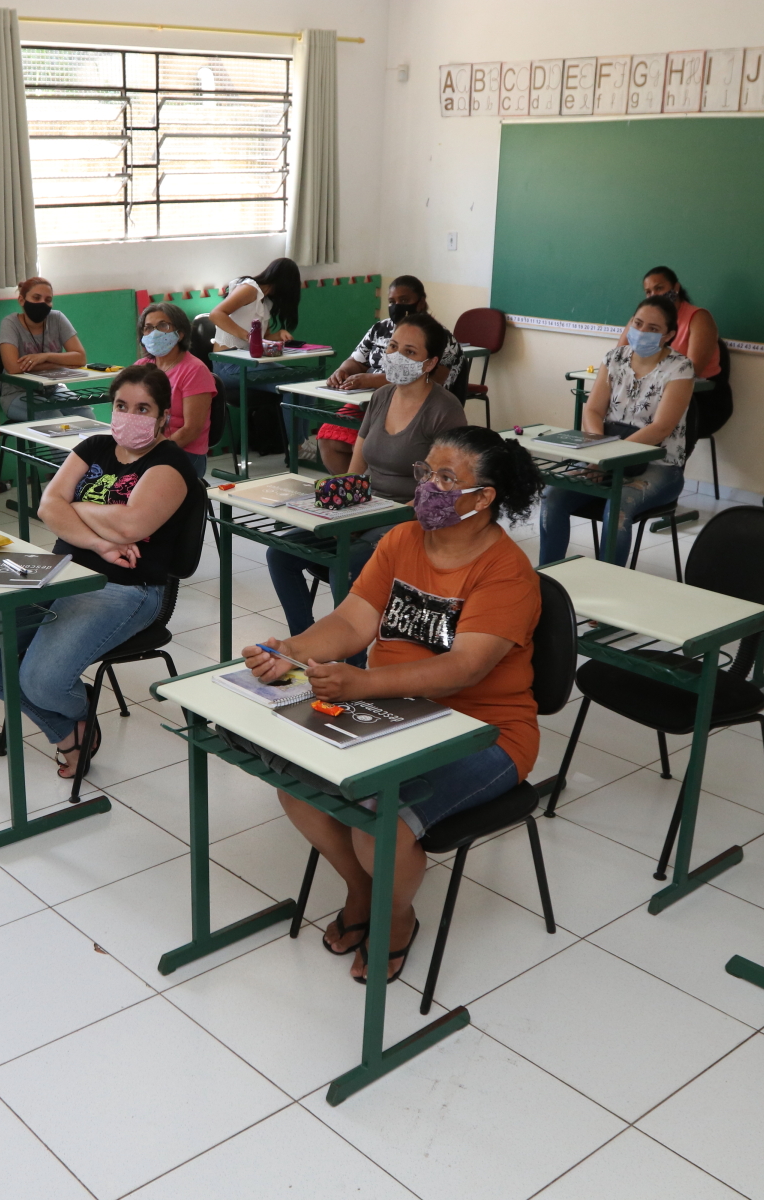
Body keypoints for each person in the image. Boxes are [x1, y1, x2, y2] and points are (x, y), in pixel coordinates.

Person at [241, 427, 543, 984]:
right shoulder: (402, 540)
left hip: (484, 732)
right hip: (394, 713)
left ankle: (397, 917)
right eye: (426, 471)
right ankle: (364, 890)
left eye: (446, 478)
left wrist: (359, 685)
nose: (427, 485)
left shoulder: (507, 572)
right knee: (298, 781)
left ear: (485, 497)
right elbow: (354, 619)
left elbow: (463, 669)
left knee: (379, 820)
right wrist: (292, 650)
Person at [0, 365, 204, 777]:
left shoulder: (170, 465)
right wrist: (99, 542)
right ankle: (69, 728)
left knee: (42, 683)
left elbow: (131, 525)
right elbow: (46, 506)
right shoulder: (94, 446)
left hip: (125, 588)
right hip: (62, 570)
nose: (130, 416)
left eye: (143, 408)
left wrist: (75, 508)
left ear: (163, 416)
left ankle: (69, 712)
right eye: (122, 405)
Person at [266, 312, 469, 638]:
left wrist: (364, 523)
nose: (396, 356)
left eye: (410, 352)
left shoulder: (445, 410)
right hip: (368, 510)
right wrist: (336, 511)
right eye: (392, 346)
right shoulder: (380, 397)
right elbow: (354, 474)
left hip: (411, 518)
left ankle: (352, 661)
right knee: (279, 553)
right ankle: (304, 644)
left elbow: (445, 493)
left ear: (430, 364)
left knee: (347, 564)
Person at [539, 294, 694, 566]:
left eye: (653, 329)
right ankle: (546, 578)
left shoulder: (679, 367)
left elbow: (661, 428)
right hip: (603, 456)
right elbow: (592, 410)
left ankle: (609, 586)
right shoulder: (614, 358)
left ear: (669, 335)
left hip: (659, 465)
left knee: (618, 504)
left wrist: (608, 461)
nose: (642, 332)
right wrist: (598, 455)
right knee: (553, 496)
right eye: (638, 323)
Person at [317, 276, 464, 475]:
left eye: (404, 300)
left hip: (414, 407)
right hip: (373, 403)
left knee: (379, 451)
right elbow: (356, 359)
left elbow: (433, 380)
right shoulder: (380, 329)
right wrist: (342, 371)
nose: (397, 306)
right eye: (392, 301)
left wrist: (372, 380)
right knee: (330, 437)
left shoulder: (440, 338)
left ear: (420, 302)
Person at [209, 258, 302, 456]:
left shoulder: (266, 302)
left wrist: (278, 336)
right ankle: (297, 446)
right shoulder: (249, 289)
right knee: (294, 383)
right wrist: (246, 335)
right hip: (228, 366)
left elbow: (262, 338)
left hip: (247, 364)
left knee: (304, 384)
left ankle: (299, 444)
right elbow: (216, 314)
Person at [135, 301, 217, 477]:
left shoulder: (195, 370)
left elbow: (191, 430)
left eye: (162, 325)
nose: (154, 332)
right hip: (144, 449)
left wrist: (153, 453)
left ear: (180, 333)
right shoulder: (141, 367)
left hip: (183, 453)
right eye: (148, 328)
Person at [0, 276, 89, 422]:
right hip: (17, 394)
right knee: (55, 419)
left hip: (52, 389)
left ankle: (88, 445)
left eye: (47, 300)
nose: (42, 303)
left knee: (84, 412)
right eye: (36, 297)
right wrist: (59, 364)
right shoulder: (10, 323)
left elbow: (80, 358)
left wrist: (45, 356)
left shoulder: (57, 318)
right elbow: (13, 367)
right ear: (22, 300)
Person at [622, 265, 719, 382]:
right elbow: (620, 356)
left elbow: (691, 370)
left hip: (695, 391)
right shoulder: (641, 317)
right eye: (648, 292)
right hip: (650, 383)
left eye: (659, 288)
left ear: (676, 288)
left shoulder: (699, 317)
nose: (653, 295)